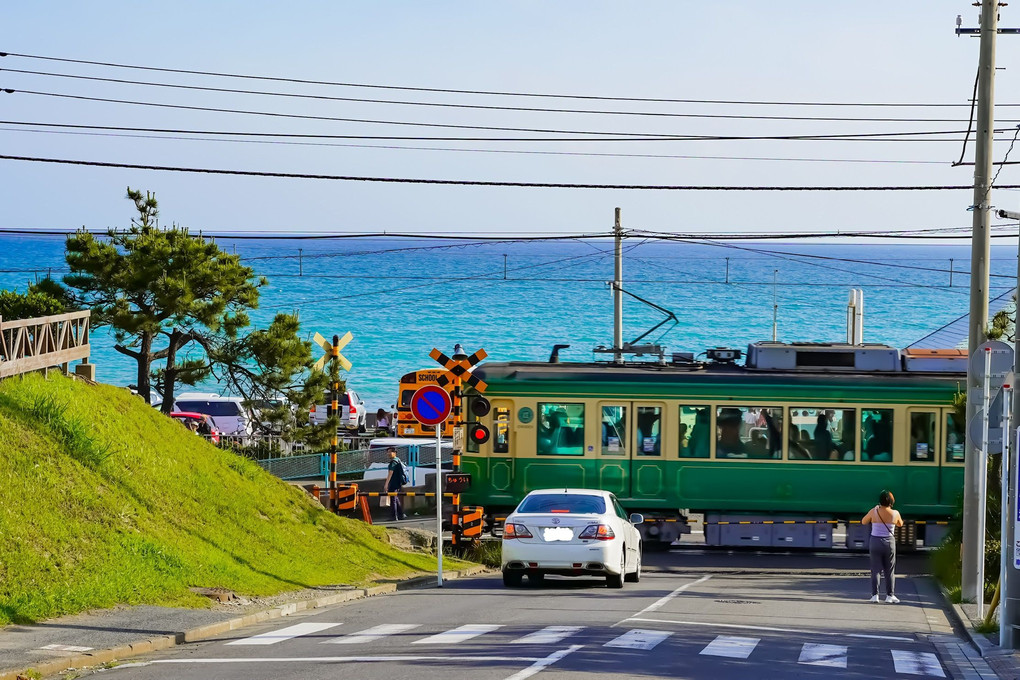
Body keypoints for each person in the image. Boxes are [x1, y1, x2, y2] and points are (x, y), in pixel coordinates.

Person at [862, 490, 904, 603]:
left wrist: (875, 512)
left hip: (875, 541)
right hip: (889, 543)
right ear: (891, 501)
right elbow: (900, 524)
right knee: (889, 570)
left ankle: (875, 595)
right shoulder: (895, 513)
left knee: (875, 570)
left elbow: (863, 521)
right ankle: (890, 596)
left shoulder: (874, 511)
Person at [384, 447, 408, 521]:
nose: (388, 454)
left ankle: (394, 516)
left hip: (394, 483)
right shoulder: (398, 460)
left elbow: (390, 473)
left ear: (394, 453)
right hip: (398, 483)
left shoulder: (393, 462)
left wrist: (386, 484)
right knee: (396, 499)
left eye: (390, 452)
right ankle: (401, 515)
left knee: (393, 500)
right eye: (387, 452)